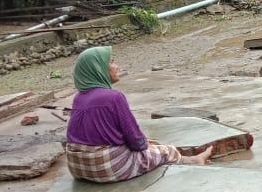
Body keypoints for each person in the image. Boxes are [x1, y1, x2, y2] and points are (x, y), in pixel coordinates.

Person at [65, 46, 212, 183]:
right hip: (105, 167)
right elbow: (135, 141)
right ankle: (193, 161)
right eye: (111, 62)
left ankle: (189, 159)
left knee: (149, 144)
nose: (117, 66)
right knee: (166, 150)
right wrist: (145, 144)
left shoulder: (79, 97)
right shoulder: (114, 97)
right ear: (98, 69)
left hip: (77, 166)